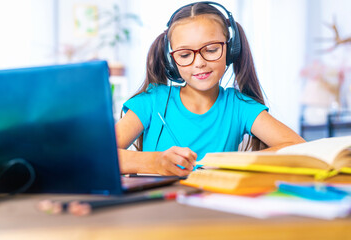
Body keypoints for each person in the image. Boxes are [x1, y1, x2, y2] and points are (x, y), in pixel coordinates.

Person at [115, 2, 305, 176]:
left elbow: (298, 147)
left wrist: (228, 163)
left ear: (231, 50)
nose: (199, 63)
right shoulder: (152, 101)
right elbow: (97, 156)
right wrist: (155, 162)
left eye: (211, 50)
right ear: (172, 61)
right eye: (184, 54)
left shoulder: (239, 106)